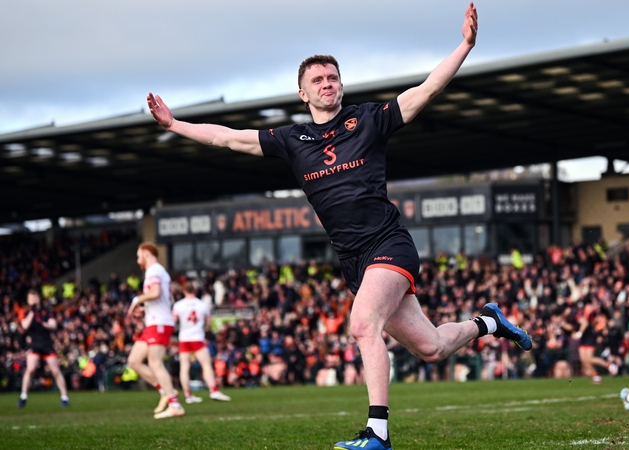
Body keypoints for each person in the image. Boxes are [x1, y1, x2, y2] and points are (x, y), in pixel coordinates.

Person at [148, 3, 529, 448]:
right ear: (303, 95)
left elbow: (425, 90)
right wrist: (174, 124)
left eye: (333, 77)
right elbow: (227, 137)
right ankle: (489, 323)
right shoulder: (291, 140)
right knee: (432, 348)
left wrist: (464, 46)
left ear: (341, 85)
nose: (328, 84)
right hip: (353, 260)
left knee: (363, 325)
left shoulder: (368, 119)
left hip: (390, 244)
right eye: (318, 80)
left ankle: (378, 434)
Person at [126, 242, 185, 419]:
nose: (138, 260)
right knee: (134, 361)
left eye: (138, 256)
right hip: (155, 321)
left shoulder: (153, 270)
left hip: (158, 323)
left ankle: (175, 404)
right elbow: (164, 298)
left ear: (146, 253)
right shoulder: (160, 271)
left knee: (155, 363)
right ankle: (166, 391)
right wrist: (147, 308)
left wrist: (137, 300)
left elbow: (156, 292)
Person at [172, 283, 231, 403]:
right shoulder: (202, 305)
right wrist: (203, 329)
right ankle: (213, 391)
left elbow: (173, 322)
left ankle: (188, 395)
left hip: (184, 338)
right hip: (197, 337)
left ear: (183, 291)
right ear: (195, 290)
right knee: (206, 365)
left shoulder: (178, 305)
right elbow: (208, 323)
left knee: (184, 367)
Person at [17, 289, 69, 408]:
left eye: (35, 298)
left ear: (38, 298)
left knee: (55, 370)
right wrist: (32, 313)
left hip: (47, 344)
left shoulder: (46, 312)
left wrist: (44, 324)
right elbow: (24, 326)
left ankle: (64, 397)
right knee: (30, 369)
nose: (33, 300)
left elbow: (53, 325)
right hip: (35, 344)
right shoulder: (27, 313)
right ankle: (23, 396)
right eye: (31, 298)